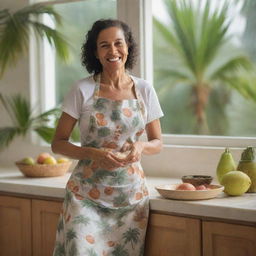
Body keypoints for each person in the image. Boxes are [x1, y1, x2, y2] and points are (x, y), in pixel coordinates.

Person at [52, 19, 164, 256]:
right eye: (104, 45)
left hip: (131, 199)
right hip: (85, 197)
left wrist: (142, 146)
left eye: (118, 43)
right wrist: (91, 153)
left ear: (128, 47)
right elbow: (58, 143)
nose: (113, 51)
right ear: (95, 52)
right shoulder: (81, 89)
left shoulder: (144, 89)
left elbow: (158, 142)